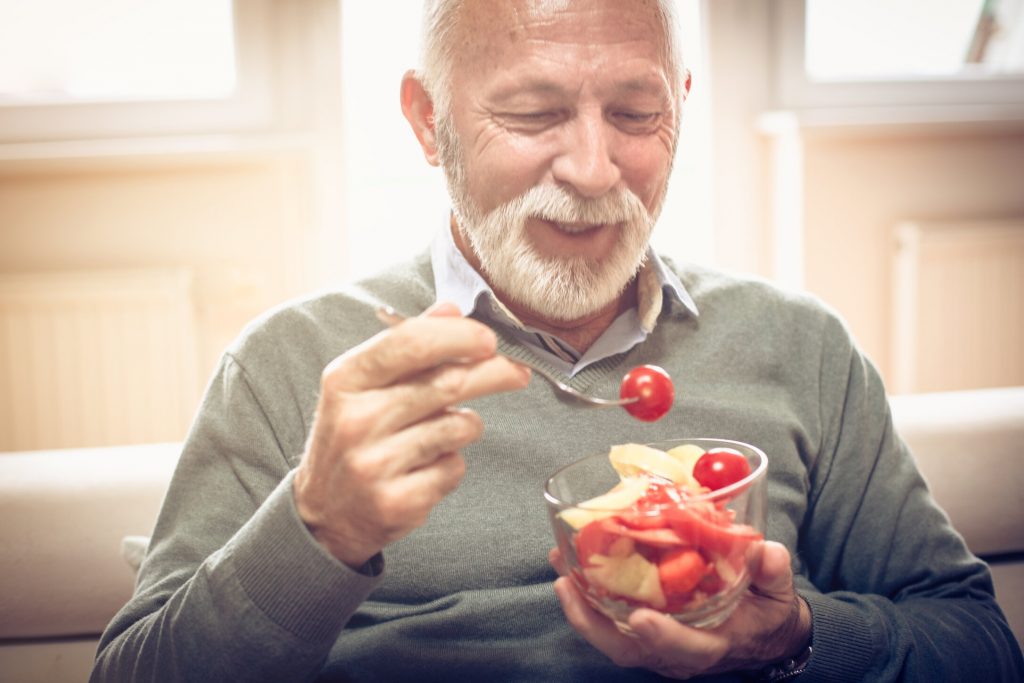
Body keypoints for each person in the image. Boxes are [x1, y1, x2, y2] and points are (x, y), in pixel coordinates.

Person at [91, 1, 1024, 681]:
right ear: (428, 120)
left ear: (682, 106)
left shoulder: (803, 345)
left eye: (634, 112)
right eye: (533, 114)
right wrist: (319, 529)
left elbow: (978, 643)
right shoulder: (291, 364)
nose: (591, 168)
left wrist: (793, 636)